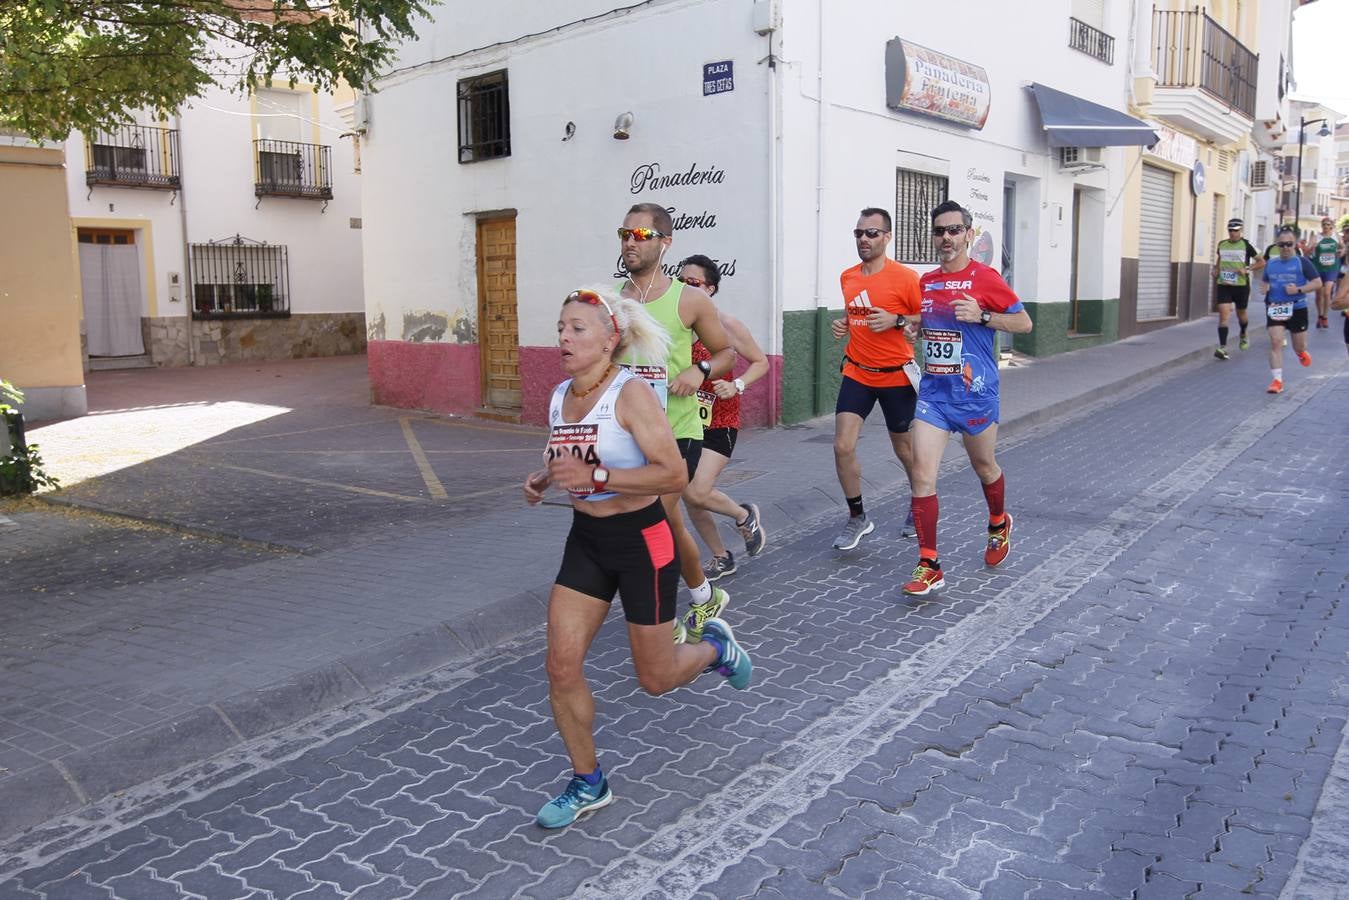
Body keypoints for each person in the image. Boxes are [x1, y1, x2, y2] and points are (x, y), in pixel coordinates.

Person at [524, 286, 752, 829]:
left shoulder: (630, 395)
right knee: (560, 665)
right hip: (587, 540)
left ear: (610, 341)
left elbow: (673, 475)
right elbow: (567, 457)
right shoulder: (560, 395)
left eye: (578, 329)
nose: (564, 337)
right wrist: (543, 477)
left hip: (642, 540)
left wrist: (599, 477)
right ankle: (588, 782)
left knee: (655, 678)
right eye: (561, 327)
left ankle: (714, 649)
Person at [616, 203, 736, 643]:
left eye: (641, 235)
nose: (631, 241)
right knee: (669, 525)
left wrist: (699, 372)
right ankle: (704, 596)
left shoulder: (689, 299)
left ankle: (664, 617)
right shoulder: (613, 301)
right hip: (629, 437)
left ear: (665, 243)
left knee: (651, 522)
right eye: (625, 233)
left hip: (677, 435)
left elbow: (727, 354)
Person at [901, 200, 1033, 596]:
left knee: (984, 467)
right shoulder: (926, 283)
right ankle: (929, 563)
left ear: (968, 235)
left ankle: (998, 523)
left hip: (975, 394)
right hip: (934, 396)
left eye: (954, 230)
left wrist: (985, 317)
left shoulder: (986, 278)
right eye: (940, 231)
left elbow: (1024, 323)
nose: (946, 238)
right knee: (922, 474)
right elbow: (929, 328)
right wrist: (915, 331)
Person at [829, 207, 922, 551]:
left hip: (896, 375)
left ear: (887, 237)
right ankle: (857, 517)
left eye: (871, 234)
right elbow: (856, 316)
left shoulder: (906, 278)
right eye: (859, 234)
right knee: (842, 445)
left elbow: (922, 320)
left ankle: (919, 500)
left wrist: (898, 321)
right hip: (858, 371)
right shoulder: (848, 277)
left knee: (904, 448)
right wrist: (844, 324)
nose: (864, 240)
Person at [676, 254, 771, 581]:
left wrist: (737, 385)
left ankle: (743, 515)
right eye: (681, 281)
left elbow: (761, 362)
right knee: (690, 497)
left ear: (711, 289)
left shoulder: (727, 325)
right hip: (685, 420)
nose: (684, 287)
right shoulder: (675, 325)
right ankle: (721, 556)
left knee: (696, 491)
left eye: (693, 283)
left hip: (719, 423)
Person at [1260, 226, 1318, 394]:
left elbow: (1317, 283)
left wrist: (1298, 290)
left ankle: (1301, 353)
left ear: (1296, 244)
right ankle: (1277, 380)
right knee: (1276, 342)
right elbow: (1264, 280)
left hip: (1297, 307)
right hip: (1275, 307)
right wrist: (1264, 287)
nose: (1285, 247)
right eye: (1282, 244)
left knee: (1298, 346)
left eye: (1289, 244)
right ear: (1277, 245)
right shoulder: (1271, 263)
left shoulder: (1303, 262)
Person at [1212, 218, 1261, 358]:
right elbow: (1220, 258)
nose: (1232, 233)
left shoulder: (1246, 245)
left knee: (1241, 314)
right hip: (1224, 284)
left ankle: (1244, 333)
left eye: (1235, 230)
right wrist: (1216, 269)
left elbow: (1261, 261)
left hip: (1241, 286)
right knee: (1223, 315)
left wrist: (1247, 269)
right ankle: (1222, 347)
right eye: (1230, 230)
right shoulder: (1222, 244)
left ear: (1241, 231)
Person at [1310, 217, 1340, 329]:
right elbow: (1308, 250)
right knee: (1319, 294)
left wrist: (1340, 252)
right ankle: (1320, 315)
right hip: (1318, 268)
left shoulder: (1336, 237)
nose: (1326, 227)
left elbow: (1343, 248)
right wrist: (1312, 246)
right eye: (1324, 224)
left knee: (1327, 292)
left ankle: (1325, 317)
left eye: (1328, 224)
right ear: (1321, 226)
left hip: (1332, 268)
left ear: (1331, 226)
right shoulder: (1316, 237)